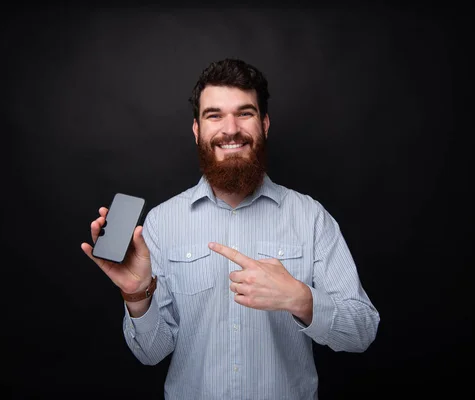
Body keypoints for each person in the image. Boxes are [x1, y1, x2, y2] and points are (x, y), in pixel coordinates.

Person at [81, 58, 380, 399]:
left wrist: (301, 299)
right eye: (214, 115)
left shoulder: (311, 217)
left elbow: (362, 331)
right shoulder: (161, 224)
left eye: (245, 113)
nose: (231, 128)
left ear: (264, 124)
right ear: (197, 130)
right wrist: (137, 295)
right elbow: (151, 353)